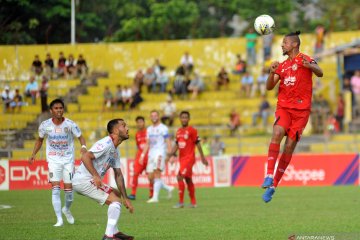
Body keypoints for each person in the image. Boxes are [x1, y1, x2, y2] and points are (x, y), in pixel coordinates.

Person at [261, 31, 323, 203]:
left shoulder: (306, 59)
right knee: (277, 133)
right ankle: (268, 175)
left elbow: (320, 72)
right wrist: (270, 72)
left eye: (285, 43)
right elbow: (269, 87)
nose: (282, 45)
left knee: (288, 147)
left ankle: (273, 186)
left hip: (301, 112)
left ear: (294, 44)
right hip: (284, 108)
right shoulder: (281, 66)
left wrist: (310, 67)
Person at [72, 119, 134, 240]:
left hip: (87, 180)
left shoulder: (115, 150)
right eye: (124, 126)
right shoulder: (106, 142)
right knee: (115, 201)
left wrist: (126, 198)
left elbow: (118, 175)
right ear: (116, 130)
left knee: (116, 193)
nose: (127, 128)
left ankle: (114, 232)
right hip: (83, 180)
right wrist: (95, 175)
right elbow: (85, 156)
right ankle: (109, 235)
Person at [29, 98, 87, 226]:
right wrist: (33, 154)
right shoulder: (45, 125)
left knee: (69, 192)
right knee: (55, 189)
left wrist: (83, 147)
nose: (59, 110)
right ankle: (59, 219)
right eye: (56, 108)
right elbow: (39, 140)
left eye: (61, 108)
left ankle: (66, 209)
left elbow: (80, 137)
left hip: (68, 160)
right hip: (53, 159)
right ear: (51, 111)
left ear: (63, 109)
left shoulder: (70, 124)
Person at [167, 111, 208, 208]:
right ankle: (193, 203)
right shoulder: (178, 131)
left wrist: (202, 157)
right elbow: (177, 145)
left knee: (179, 176)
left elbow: (197, 143)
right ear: (180, 119)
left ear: (189, 119)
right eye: (182, 117)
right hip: (182, 159)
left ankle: (181, 202)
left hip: (189, 158)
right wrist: (169, 155)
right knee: (188, 179)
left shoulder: (192, 130)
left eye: (186, 117)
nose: (184, 119)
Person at [139, 110, 174, 203]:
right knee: (150, 177)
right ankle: (168, 188)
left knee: (157, 173)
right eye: (152, 115)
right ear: (150, 117)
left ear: (158, 117)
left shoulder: (163, 128)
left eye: (155, 115)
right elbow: (147, 143)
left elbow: (168, 141)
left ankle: (155, 198)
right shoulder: (149, 129)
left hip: (160, 153)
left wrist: (171, 155)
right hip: (151, 154)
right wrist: (142, 155)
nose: (154, 117)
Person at [128, 116, 153, 200]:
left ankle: (151, 194)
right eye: (138, 122)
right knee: (135, 174)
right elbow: (138, 147)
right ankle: (133, 194)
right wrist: (137, 157)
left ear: (144, 122)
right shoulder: (137, 134)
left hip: (149, 156)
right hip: (140, 157)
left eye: (141, 122)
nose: (139, 123)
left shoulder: (148, 132)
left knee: (150, 176)